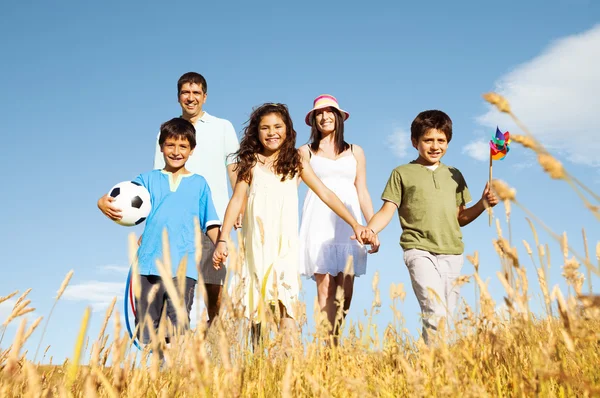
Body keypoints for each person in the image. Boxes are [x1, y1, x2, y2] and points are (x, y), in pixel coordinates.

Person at [212, 103, 373, 349]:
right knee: (257, 304)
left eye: (278, 126)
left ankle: (288, 361)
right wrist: (222, 239)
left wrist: (355, 224)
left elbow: (325, 193)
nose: (271, 132)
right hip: (256, 246)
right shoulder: (250, 163)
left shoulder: (295, 161)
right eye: (264, 128)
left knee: (286, 303)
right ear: (256, 132)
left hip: (285, 247)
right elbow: (236, 200)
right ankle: (260, 362)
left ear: (288, 130)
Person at [98, 72, 240, 326]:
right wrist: (149, 226)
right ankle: (167, 353)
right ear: (178, 97)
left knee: (213, 288)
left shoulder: (223, 127)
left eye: (197, 93)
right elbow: (153, 186)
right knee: (169, 290)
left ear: (205, 97)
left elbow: (234, 169)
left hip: (212, 220)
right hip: (172, 228)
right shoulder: (166, 130)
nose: (191, 97)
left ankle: (214, 343)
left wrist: (236, 208)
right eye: (186, 92)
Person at [363, 110, 499, 343]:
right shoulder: (402, 173)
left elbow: (461, 217)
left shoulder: (454, 175)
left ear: (448, 142)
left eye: (441, 140)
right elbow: (387, 210)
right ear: (415, 142)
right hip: (419, 250)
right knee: (434, 309)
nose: (435, 146)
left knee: (445, 316)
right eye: (428, 140)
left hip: (452, 252)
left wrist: (483, 204)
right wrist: (371, 229)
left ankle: (434, 368)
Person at [98, 117, 221, 345]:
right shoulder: (146, 180)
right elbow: (119, 200)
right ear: (161, 147)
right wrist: (101, 203)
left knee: (176, 329)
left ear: (192, 150)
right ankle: (152, 372)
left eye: (183, 146)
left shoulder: (199, 184)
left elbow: (211, 222)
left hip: (184, 268)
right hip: (148, 264)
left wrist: (221, 247)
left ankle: (171, 373)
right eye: (170, 145)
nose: (176, 151)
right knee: (146, 328)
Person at [298, 94, 378, 344]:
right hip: (318, 222)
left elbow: (362, 191)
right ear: (313, 120)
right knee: (324, 288)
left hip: (349, 225)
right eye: (319, 113)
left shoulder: (356, 152)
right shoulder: (304, 152)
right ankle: (327, 348)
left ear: (339, 116)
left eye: (329, 111)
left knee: (346, 292)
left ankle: (334, 337)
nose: (324, 117)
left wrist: (372, 227)